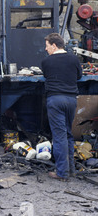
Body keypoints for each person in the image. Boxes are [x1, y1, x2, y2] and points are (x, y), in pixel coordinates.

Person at [41, 33, 82, 181]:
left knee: (59, 137)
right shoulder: (74, 59)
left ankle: (62, 173)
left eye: (47, 46)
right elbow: (79, 76)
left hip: (55, 100)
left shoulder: (46, 62)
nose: (46, 49)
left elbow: (46, 76)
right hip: (71, 100)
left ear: (54, 45)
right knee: (68, 134)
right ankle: (70, 170)